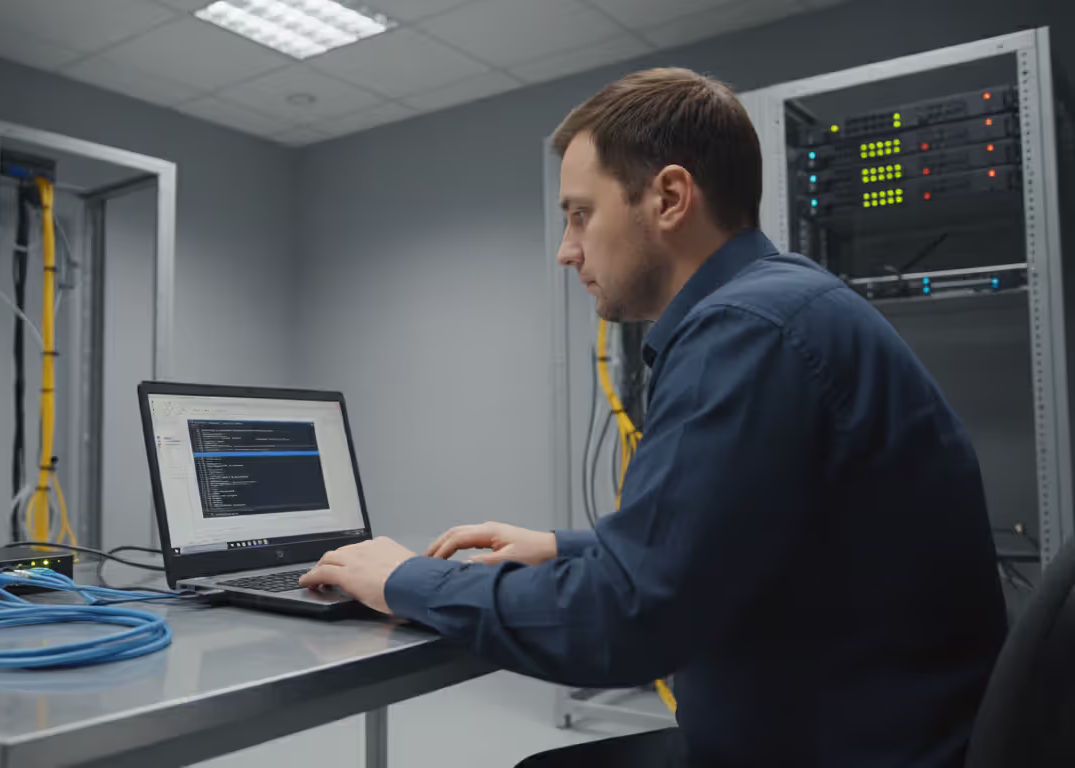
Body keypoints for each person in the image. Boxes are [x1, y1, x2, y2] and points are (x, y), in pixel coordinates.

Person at [300, 68, 1007, 767]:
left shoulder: (746, 330)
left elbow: (625, 621)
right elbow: (737, 540)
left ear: (669, 198)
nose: (566, 249)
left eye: (581, 213)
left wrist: (404, 578)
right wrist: (567, 548)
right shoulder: (785, 305)